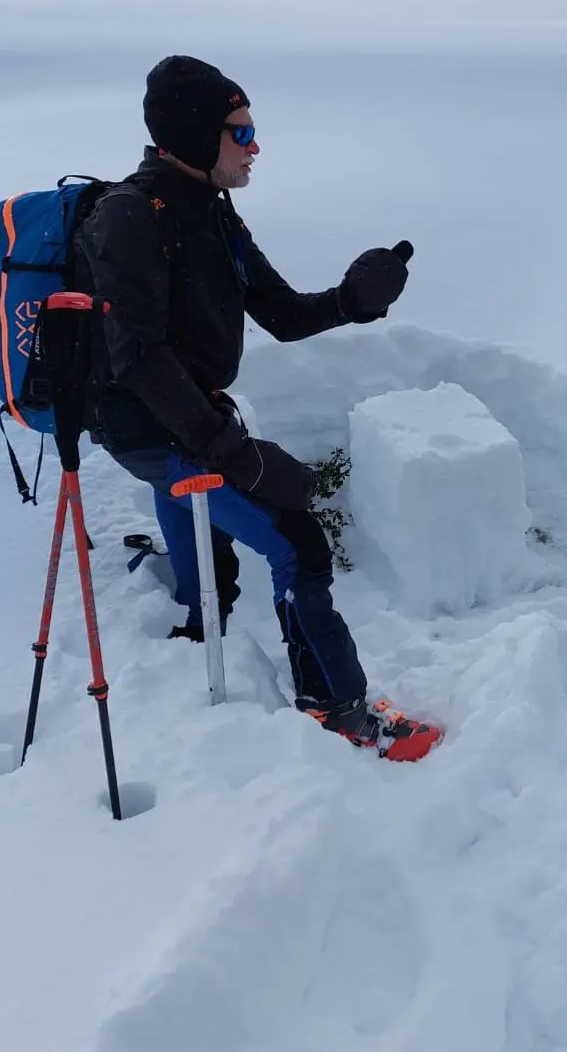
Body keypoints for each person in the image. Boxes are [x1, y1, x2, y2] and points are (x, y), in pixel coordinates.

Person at [78, 55, 441, 761]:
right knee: (298, 543)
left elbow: (278, 311)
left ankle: (191, 613)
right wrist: (237, 456)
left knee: (193, 505)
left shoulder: (209, 211)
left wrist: (350, 300)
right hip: (149, 423)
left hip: (183, 416)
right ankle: (336, 707)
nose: (255, 146)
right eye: (241, 132)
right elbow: (139, 359)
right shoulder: (131, 219)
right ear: (192, 134)